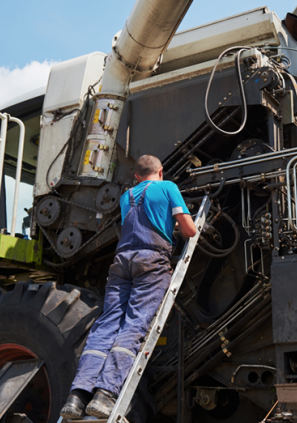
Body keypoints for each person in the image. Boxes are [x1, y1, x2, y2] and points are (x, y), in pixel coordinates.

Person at [60, 155, 197, 420]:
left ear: (136, 177)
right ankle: (104, 395)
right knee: (134, 326)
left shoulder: (127, 197)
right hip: (151, 262)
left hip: (122, 262)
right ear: (161, 171)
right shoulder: (167, 187)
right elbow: (190, 230)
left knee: (106, 326)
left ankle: (76, 397)